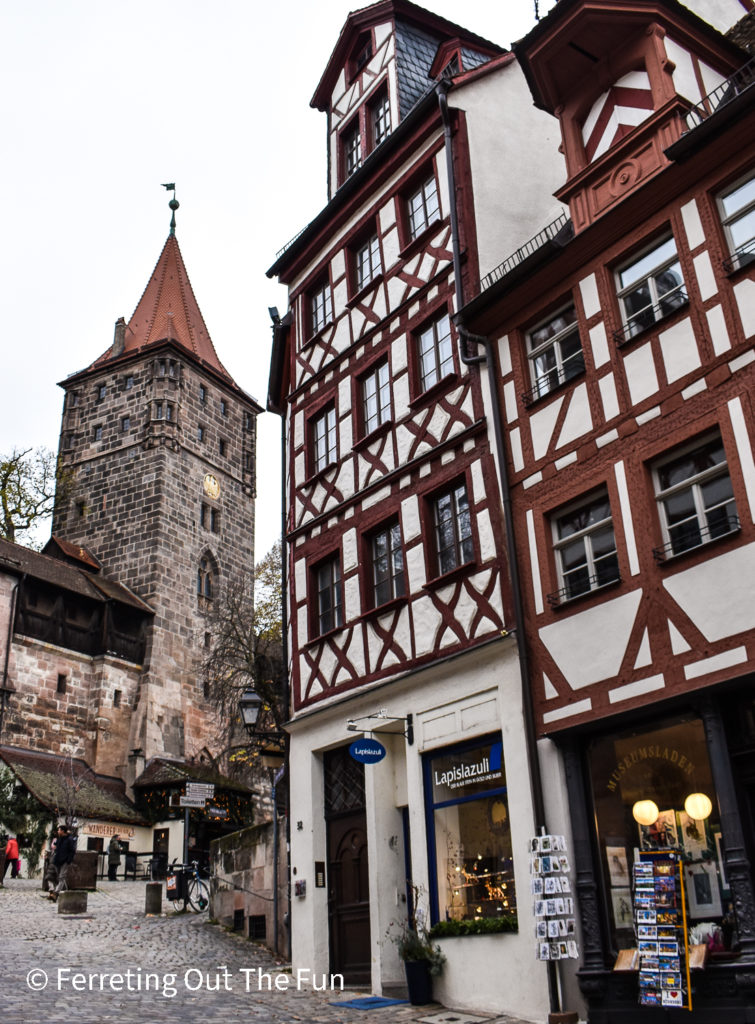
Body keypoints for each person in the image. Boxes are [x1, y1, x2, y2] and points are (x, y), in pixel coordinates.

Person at [46, 825, 76, 902]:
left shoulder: (69, 840)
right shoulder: (60, 839)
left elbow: (72, 851)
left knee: (62, 877)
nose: (58, 831)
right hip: (57, 861)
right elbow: (56, 849)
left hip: (64, 861)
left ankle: (56, 893)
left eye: (59, 830)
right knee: (60, 877)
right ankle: (66, 892)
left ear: (63, 831)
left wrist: (68, 860)